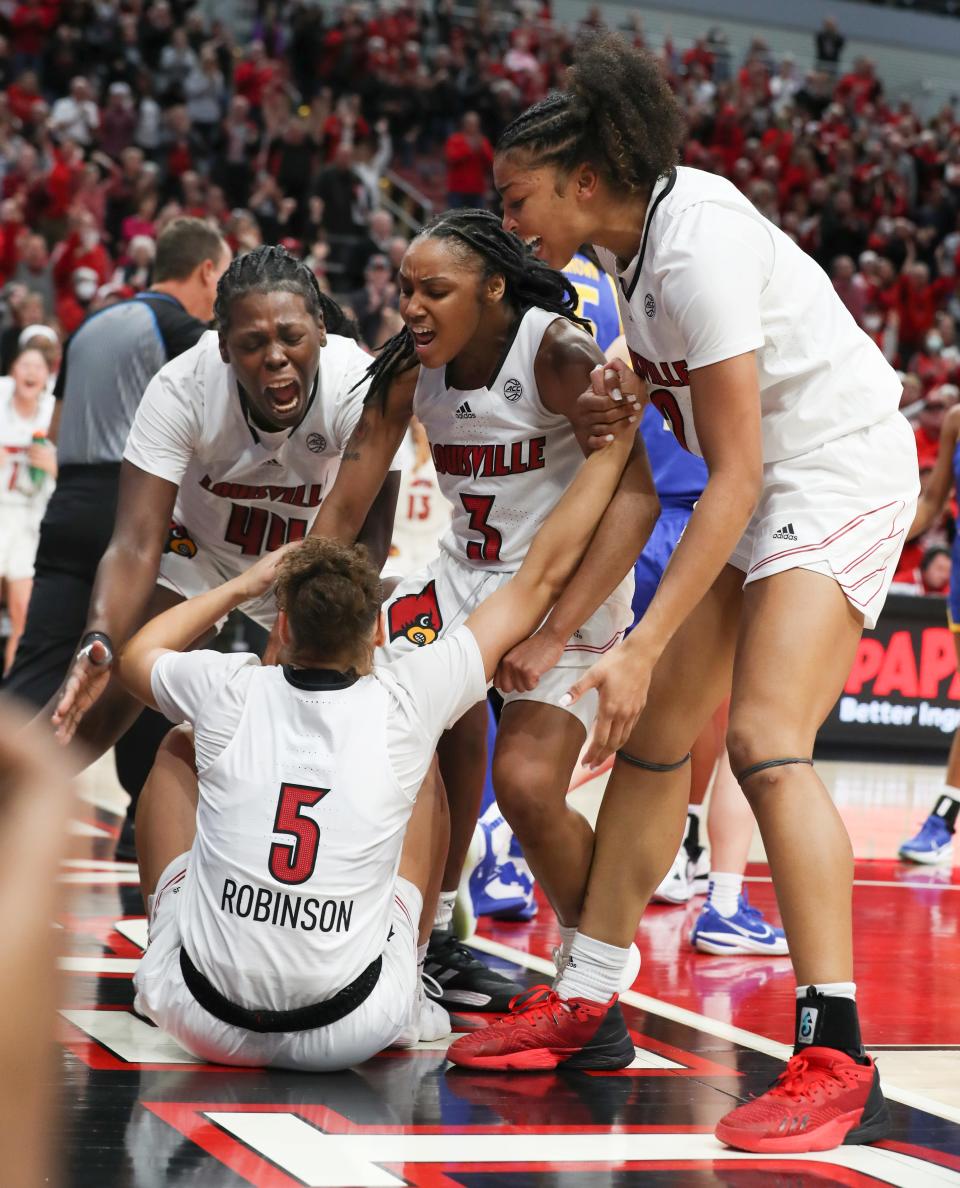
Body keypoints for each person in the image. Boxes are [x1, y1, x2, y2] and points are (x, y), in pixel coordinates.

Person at [452, 35, 918, 1157]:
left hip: (836, 470)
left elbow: (741, 472)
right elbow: (699, 442)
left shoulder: (695, 244)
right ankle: (590, 990)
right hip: (764, 481)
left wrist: (643, 641)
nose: (512, 223)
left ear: (588, 180)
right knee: (663, 743)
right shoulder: (629, 254)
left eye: (521, 201)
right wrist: (635, 386)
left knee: (764, 739)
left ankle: (836, 1049)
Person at [117, 421, 634, 1070]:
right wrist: (611, 449)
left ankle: (157, 953)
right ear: (374, 636)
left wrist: (243, 585)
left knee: (177, 747)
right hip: (353, 1026)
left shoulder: (229, 689)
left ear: (282, 626)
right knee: (419, 764)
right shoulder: (406, 692)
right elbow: (535, 581)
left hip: (197, 1017)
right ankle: (416, 977)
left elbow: (137, 655)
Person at [301, 208, 658, 1015]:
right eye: (405, 291)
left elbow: (634, 500)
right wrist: (294, 612)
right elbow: (345, 505)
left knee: (527, 785)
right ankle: (417, 939)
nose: (413, 308)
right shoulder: (407, 370)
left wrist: (560, 629)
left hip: (564, 588)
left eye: (435, 290)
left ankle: (591, 957)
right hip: (462, 577)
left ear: (493, 288)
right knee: (393, 733)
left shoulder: (557, 354)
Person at [43, 247, 401, 855]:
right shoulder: (181, 387)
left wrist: (296, 635)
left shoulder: (356, 382)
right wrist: (99, 637)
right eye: (253, 342)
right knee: (97, 698)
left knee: (367, 716)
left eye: (290, 336)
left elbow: (368, 537)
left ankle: (423, 908)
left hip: (314, 561)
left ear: (320, 328)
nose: (276, 357)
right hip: (201, 551)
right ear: (223, 346)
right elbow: (133, 543)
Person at [3, 217, 230, 856]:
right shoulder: (183, 331)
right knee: (146, 662)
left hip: (67, 501)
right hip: (133, 505)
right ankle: (142, 818)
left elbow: (54, 423)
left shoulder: (91, 324)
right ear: (208, 271)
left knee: (39, 663)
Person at [897, 404, 960, 865]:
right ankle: (945, 816)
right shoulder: (956, 418)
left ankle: (943, 815)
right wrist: (880, 533)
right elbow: (934, 500)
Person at [0, 347, 55, 673]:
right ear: (13, 370)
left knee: (24, 613)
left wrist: (52, 465)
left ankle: (9, 702)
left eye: (39, 366)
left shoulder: (54, 414)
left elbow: (73, 475)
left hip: (29, 519)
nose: (32, 371)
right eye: (25, 364)